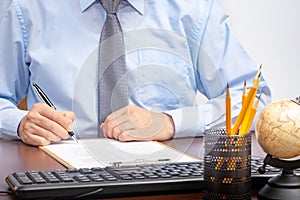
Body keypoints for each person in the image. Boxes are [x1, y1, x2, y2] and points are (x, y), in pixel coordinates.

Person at [0, 0, 271, 146]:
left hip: (165, 181)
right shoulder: (24, 7)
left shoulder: (194, 8)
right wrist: (20, 123)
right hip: (58, 176)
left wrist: (169, 122)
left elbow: (254, 99)